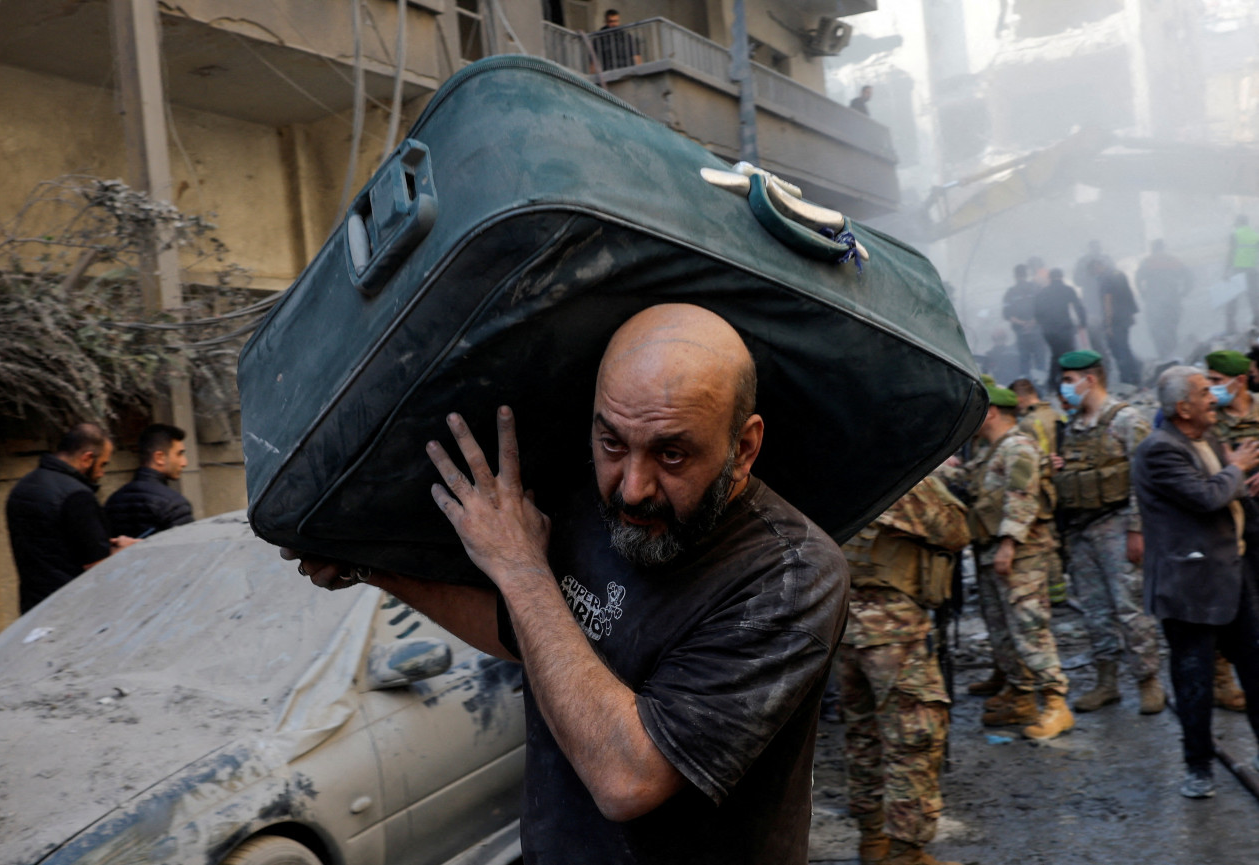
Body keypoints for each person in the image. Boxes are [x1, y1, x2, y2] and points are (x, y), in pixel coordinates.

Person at [290, 304, 848, 864]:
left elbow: (627, 778)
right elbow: (522, 633)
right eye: (612, 443)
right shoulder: (591, 503)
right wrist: (371, 568)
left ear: (743, 448)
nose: (632, 488)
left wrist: (519, 567)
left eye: (672, 454)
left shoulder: (791, 575)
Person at [1133, 365, 1259, 798]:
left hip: (1234, 574)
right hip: (1190, 585)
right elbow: (1206, 498)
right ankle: (1199, 767)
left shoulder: (1208, 439)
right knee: (1195, 680)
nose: (1213, 398)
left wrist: (1245, 484)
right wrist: (1238, 468)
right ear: (1183, 408)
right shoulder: (1159, 450)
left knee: (1255, 668)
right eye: (1205, 392)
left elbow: (1228, 494)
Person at [838, 475, 968, 865]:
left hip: (844, 627)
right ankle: (905, 852)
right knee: (913, 740)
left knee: (863, 737)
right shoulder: (901, 475)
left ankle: (873, 839)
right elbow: (956, 531)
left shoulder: (835, 475)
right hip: (894, 629)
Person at [1051, 351, 1165, 714]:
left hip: (1117, 526)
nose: (1064, 388)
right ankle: (1107, 681)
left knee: (1130, 608)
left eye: (1069, 380)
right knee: (1094, 611)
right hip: (1082, 531)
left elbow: (1146, 481)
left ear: (1091, 379)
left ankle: (1148, 681)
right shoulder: (1073, 426)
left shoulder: (1127, 420)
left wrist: (1138, 530)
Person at [964, 386, 1074, 740]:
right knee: (1001, 631)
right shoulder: (990, 450)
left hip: (1019, 554)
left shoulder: (1018, 446)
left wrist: (1008, 544)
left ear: (993, 412)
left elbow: (1021, 497)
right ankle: (1021, 694)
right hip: (991, 551)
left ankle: (1056, 702)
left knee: (1030, 629)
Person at [6, 423, 137, 612]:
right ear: (87, 458)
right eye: (102, 464)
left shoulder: (23, 487)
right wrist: (125, 550)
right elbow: (97, 565)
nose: (102, 473)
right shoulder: (77, 496)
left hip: (33, 608)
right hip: (72, 607)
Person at [1203, 350, 1258, 712]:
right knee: (1226, 599)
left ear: (1240, 381)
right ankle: (1222, 679)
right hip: (1226, 521)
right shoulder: (1207, 419)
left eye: (1217, 381)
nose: (1211, 389)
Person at [1009, 377, 1067, 603]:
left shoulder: (1027, 423)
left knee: (1047, 544)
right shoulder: (1057, 415)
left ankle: (1055, 594)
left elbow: (1034, 462)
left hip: (1043, 489)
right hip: (1063, 485)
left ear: (1019, 399)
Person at [105, 423, 194, 538]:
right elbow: (187, 545)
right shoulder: (174, 504)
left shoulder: (113, 500)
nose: (184, 463)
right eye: (179, 454)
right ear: (159, 457)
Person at [1135, 239, 1192, 359]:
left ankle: (1163, 354)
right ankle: (1173, 352)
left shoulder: (1148, 262)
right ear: (1163, 248)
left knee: (1156, 328)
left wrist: (1143, 293)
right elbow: (1188, 276)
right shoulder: (1172, 260)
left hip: (1154, 300)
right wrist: (1184, 291)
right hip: (1172, 300)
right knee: (1171, 328)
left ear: (1152, 249)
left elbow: (1138, 279)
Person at [1034, 268, 1087, 395]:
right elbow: (1079, 307)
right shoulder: (1067, 290)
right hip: (1065, 329)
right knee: (1068, 356)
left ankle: (1053, 385)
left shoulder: (1043, 293)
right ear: (1062, 277)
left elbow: (1037, 313)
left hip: (1049, 331)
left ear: (1050, 278)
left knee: (1056, 355)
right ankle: (1069, 383)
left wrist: (1044, 326)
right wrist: (1082, 323)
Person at [1091, 258, 1141, 386]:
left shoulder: (1105, 279)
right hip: (1125, 317)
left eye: (1093, 270)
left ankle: (1126, 379)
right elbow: (1128, 294)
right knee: (1125, 347)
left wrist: (1108, 323)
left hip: (1115, 320)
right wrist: (1132, 313)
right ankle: (1135, 376)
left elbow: (1107, 300)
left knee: (1118, 349)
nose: (1094, 273)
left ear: (1098, 265)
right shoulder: (1119, 274)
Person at [1002, 264, 1046, 379]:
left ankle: (1026, 384)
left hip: (1021, 332)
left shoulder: (1010, 292)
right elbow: (1044, 308)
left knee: (1024, 361)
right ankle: (1041, 384)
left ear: (1015, 276)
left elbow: (1007, 315)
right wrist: (1033, 322)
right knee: (1040, 361)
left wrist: (1022, 323)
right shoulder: (1036, 288)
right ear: (1026, 274)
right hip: (1037, 330)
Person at [1073, 240, 1113, 357]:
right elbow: (1077, 280)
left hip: (1100, 299)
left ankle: (1104, 352)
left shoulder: (1103, 259)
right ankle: (1105, 352)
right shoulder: (1102, 260)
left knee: (1100, 329)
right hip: (1094, 301)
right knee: (1101, 328)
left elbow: (1077, 280)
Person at [1225, 215, 1259, 332]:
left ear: (1238, 223)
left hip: (1237, 271)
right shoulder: (1255, 236)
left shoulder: (1234, 234)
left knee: (1232, 299)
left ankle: (1231, 328)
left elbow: (1231, 253)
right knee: (1254, 299)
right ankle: (1257, 325)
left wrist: (1226, 271)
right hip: (1251, 271)